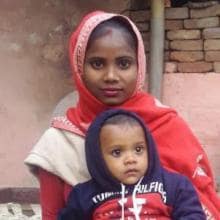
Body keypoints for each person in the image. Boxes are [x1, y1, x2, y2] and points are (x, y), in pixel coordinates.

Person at [24, 11, 220, 220]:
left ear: (139, 66)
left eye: (124, 64)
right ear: (79, 67)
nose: (111, 76)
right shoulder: (58, 144)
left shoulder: (168, 125)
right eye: (97, 64)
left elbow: (200, 202)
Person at [58, 108, 206, 219]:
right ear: (98, 157)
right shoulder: (84, 195)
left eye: (138, 149)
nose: (130, 159)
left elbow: (193, 215)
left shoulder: (174, 185)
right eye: (117, 152)